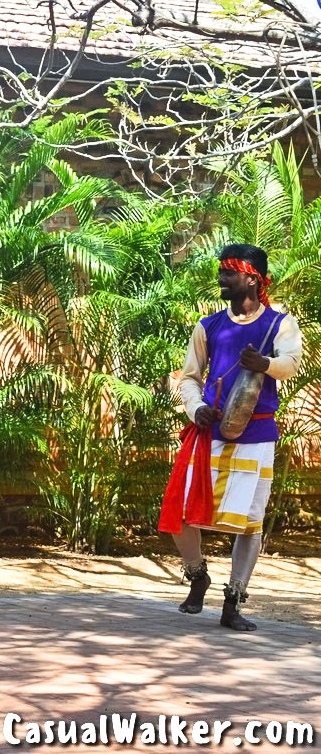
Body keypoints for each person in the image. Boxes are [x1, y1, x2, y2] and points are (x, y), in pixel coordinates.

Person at [158, 243, 301, 632]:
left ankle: (233, 600)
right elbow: (189, 377)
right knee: (181, 514)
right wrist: (194, 407)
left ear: (252, 277)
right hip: (209, 432)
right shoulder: (208, 326)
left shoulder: (279, 324)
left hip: (256, 436)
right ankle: (197, 575)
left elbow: (291, 362)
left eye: (229, 272)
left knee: (249, 524)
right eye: (220, 271)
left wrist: (265, 364)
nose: (221, 278)